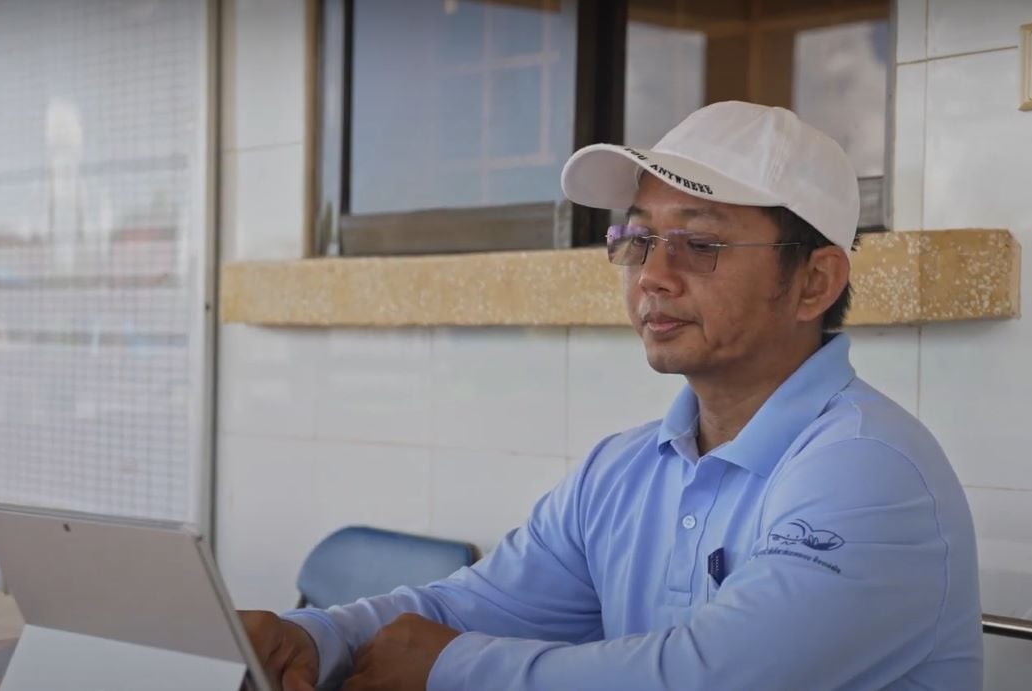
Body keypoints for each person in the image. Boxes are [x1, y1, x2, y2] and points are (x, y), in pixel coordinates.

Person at [240, 101, 983, 691]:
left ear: (815, 281)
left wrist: (447, 667)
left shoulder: (869, 468)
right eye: (635, 237)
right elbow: (468, 605)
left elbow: (710, 677)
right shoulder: (624, 470)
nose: (652, 274)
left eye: (699, 243)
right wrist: (316, 636)